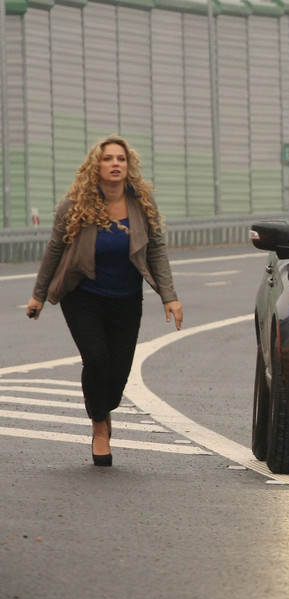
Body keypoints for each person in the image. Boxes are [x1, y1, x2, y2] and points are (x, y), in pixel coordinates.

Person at [27, 135, 183, 466]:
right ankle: (99, 428)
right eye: (108, 158)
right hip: (83, 295)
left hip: (126, 299)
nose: (115, 164)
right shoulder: (75, 206)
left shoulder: (142, 203)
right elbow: (55, 250)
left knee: (118, 376)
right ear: (95, 166)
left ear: (129, 166)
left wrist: (169, 298)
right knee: (96, 360)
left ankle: (103, 405)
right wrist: (38, 296)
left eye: (121, 159)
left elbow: (156, 249)